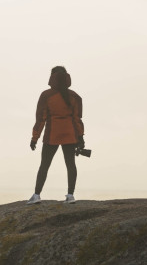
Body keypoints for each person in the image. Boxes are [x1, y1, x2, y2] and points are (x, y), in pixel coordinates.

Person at [27, 66, 85, 205]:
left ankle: (36, 195)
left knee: (44, 165)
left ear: (52, 77)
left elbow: (41, 119)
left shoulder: (46, 95)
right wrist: (81, 137)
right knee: (71, 164)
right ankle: (70, 195)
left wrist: (35, 138)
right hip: (70, 134)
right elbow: (77, 119)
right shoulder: (75, 96)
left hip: (52, 135)